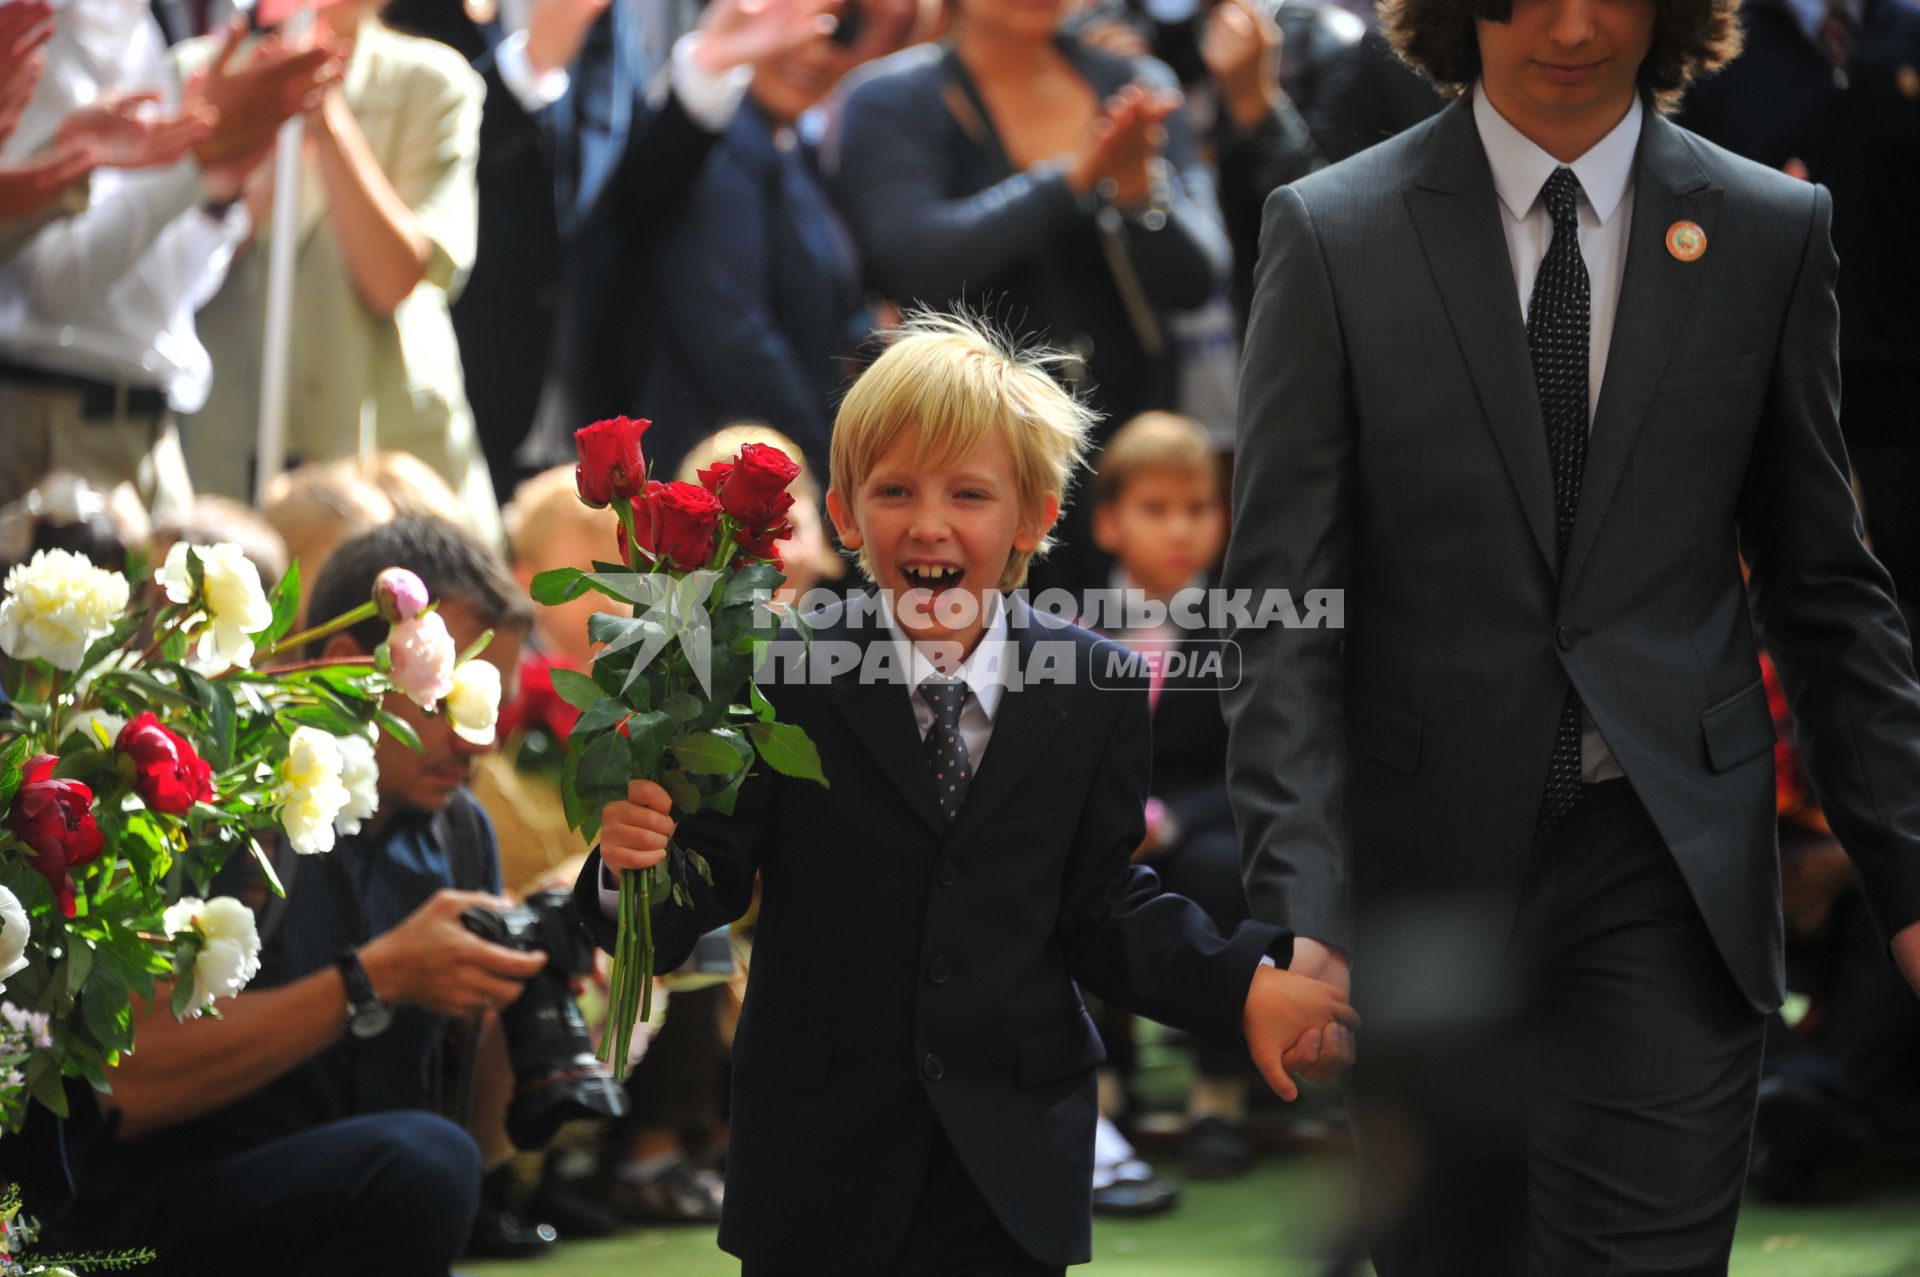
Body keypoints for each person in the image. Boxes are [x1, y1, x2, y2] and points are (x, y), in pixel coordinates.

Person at [1222, 0, 1920, 1267]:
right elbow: (1281, 609)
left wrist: (1912, 873)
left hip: (1670, 862)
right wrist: (1301, 902)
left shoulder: (1771, 228)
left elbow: (1824, 587)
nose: (1574, 23)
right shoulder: (1331, 231)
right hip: (1423, 876)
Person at [572, 313, 1358, 1275]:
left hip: (1011, 1160)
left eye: (969, 492)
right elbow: (711, 877)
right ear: (850, 513)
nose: (930, 522)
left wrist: (1242, 984)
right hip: (819, 1165)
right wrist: (628, 869)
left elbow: (1102, 907)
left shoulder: (1093, 685)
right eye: (894, 489)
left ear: (1034, 514)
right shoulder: (784, 671)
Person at [44, 517, 544, 1276]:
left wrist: (527, 1004)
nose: (478, 743)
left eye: (488, 707)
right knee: (421, 1160)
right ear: (347, 668)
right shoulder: (217, 794)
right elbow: (123, 1084)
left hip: (337, 1206)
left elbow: (474, 1145)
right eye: (445, 699)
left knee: (432, 1161)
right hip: (138, 1225)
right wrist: (372, 978)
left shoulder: (460, 832)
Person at [824, 0, 1231, 591]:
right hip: (960, 450)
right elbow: (912, 261)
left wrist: (1141, 191)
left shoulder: (1134, 83)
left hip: (1129, 449)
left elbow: (1198, 279)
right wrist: (1071, 178)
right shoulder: (890, 98)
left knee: (1127, 671)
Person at [179, 0, 503, 550]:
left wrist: (327, 118)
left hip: (385, 459)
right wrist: (263, 122)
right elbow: (180, 268)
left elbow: (393, 278)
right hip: (227, 457)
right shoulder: (199, 71)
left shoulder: (434, 81)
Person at [0, 10, 341, 525]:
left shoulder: (141, 31)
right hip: (54, 439)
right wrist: (194, 167)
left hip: (153, 442)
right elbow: (51, 287)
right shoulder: (33, 32)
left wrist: (215, 194)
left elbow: (169, 295)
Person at [1090, 411, 1260, 1179]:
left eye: (1199, 508)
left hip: (1203, 822)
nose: (1181, 529)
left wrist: (1174, 819)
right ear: (1108, 520)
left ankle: (1219, 1092)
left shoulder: (1243, 620)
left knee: (1229, 870)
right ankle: (1099, 1084)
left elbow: (1251, 763)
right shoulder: (1064, 612)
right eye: (1156, 509)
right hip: (1097, 820)